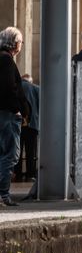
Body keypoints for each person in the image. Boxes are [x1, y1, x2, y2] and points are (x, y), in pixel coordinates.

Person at [0, 26, 30, 207]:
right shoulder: (6, 61)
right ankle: (3, 194)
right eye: (21, 41)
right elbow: (10, 88)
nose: (21, 44)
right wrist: (17, 109)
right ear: (15, 43)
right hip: (8, 114)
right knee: (11, 154)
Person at [17, 73, 38, 195]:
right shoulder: (35, 88)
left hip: (17, 124)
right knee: (31, 152)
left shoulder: (16, 88)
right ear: (30, 81)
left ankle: (18, 174)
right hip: (32, 125)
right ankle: (30, 174)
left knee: (17, 151)